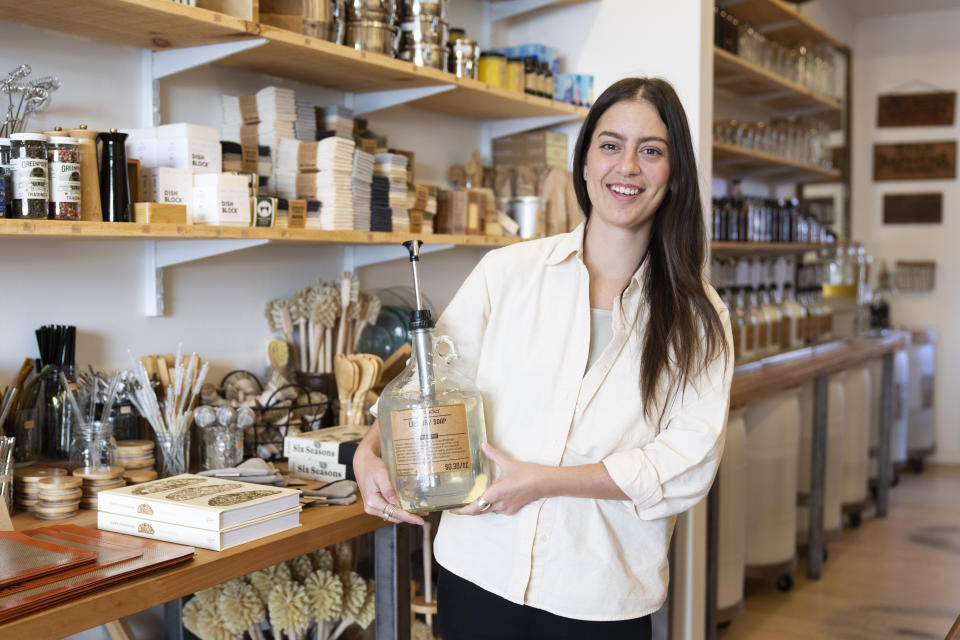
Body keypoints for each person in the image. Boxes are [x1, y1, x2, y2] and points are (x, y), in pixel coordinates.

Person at [354, 77, 733, 640]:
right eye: (610, 145)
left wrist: (545, 481)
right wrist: (369, 453)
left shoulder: (698, 317)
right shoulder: (507, 274)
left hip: (601, 595)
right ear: (583, 163)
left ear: (673, 174)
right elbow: (429, 385)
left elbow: (686, 463)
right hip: (479, 569)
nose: (627, 166)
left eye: (650, 150)